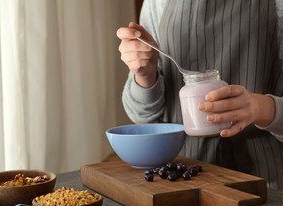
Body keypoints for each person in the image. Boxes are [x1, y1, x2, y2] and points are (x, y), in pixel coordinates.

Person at [117, 0, 283, 189]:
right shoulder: (157, 3)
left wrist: (264, 108)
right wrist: (145, 75)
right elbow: (142, 115)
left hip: (262, 180)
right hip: (178, 178)